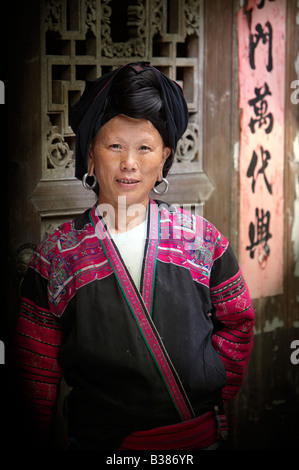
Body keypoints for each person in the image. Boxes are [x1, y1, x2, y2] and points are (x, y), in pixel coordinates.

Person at [10, 62, 255, 450]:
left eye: (145, 148)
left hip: (197, 439)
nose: (129, 162)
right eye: (114, 146)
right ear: (90, 155)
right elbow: (34, 369)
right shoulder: (58, 254)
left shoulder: (201, 239)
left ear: (164, 160)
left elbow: (238, 321)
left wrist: (211, 377)